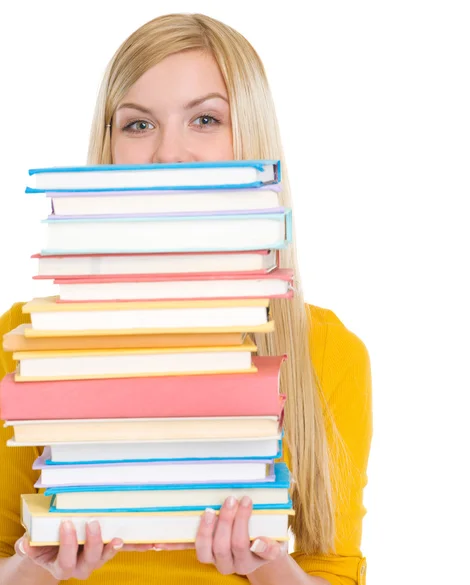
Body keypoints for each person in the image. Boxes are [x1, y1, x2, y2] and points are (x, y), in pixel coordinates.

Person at [0, 12, 372, 585]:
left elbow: (336, 572)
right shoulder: (27, 343)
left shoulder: (327, 352)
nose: (170, 154)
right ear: (107, 149)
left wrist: (268, 568)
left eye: (205, 118)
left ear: (251, 137)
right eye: (138, 125)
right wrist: (36, 569)